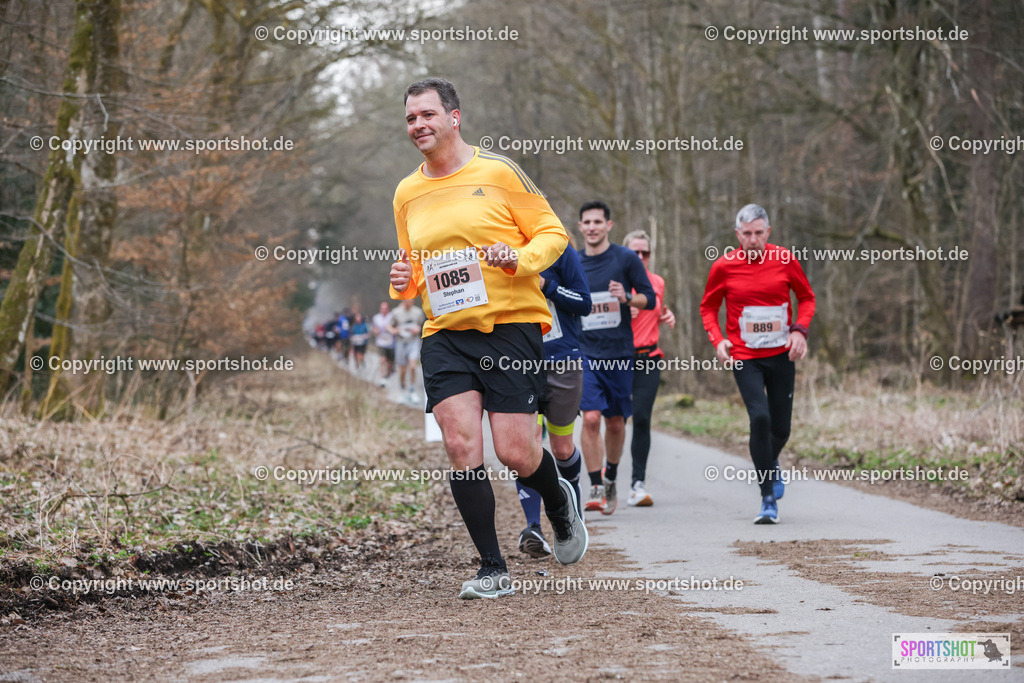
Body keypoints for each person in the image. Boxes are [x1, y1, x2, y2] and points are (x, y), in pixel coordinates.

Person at [389, 77, 587, 598]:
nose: (418, 125)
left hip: (509, 326)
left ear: (454, 117)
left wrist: (518, 259)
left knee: (517, 452)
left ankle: (559, 501)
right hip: (445, 333)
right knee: (460, 445)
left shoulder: (498, 172)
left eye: (427, 115)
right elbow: (413, 265)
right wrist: (403, 279)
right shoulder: (407, 192)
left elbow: (553, 234)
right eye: (411, 118)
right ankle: (492, 567)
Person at [700, 203, 815, 524]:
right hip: (744, 357)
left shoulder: (785, 260)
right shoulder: (724, 266)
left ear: (768, 232)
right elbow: (708, 307)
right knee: (760, 419)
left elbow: (806, 298)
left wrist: (800, 331)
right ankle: (767, 498)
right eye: (747, 233)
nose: (753, 239)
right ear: (737, 234)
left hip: (781, 355)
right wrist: (718, 339)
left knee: (781, 429)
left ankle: (768, 462)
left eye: (759, 233)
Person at [577, 201, 655, 516]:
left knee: (616, 422)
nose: (592, 227)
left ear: (609, 225)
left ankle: (611, 476)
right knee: (591, 418)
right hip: (585, 353)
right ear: (580, 227)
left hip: (620, 353)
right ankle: (596, 486)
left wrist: (626, 297)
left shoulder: (625, 258)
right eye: (587, 222)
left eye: (598, 221)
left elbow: (650, 298)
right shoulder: (574, 261)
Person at [515, 242, 591, 558]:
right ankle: (533, 526)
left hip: (562, 361)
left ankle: (573, 518)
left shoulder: (559, 250)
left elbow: (584, 303)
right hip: (519, 363)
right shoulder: (498, 248)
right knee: (525, 444)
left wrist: (548, 285)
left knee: (561, 448)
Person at [624, 230, 675, 507]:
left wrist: (666, 314)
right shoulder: (616, 284)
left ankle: (638, 484)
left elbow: (656, 311)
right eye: (635, 252)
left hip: (649, 358)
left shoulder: (657, 282)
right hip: (618, 359)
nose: (641, 257)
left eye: (645, 253)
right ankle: (606, 477)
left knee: (642, 417)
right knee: (615, 420)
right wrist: (621, 312)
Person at [389, 299, 425, 402]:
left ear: (413, 301)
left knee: (413, 366)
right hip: (401, 342)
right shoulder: (396, 312)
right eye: (406, 300)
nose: (408, 302)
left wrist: (418, 329)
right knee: (403, 370)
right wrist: (394, 330)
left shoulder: (418, 312)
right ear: (403, 301)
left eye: (410, 300)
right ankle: (402, 390)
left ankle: (412, 391)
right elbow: (389, 326)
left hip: (413, 341)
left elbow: (422, 325)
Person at [372, 302, 396, 387]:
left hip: (391, 343)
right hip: (380, 342)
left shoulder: (392, 317)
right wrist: (375, 331)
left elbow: (397, 327)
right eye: (382, 308)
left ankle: (388, 374)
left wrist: (392, 330)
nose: (384, 310)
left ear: (388, 309)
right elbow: (374, 327)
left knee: (390, 363)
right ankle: (383, 378)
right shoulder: (376, 318)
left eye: (385, 309)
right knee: (383, 360)